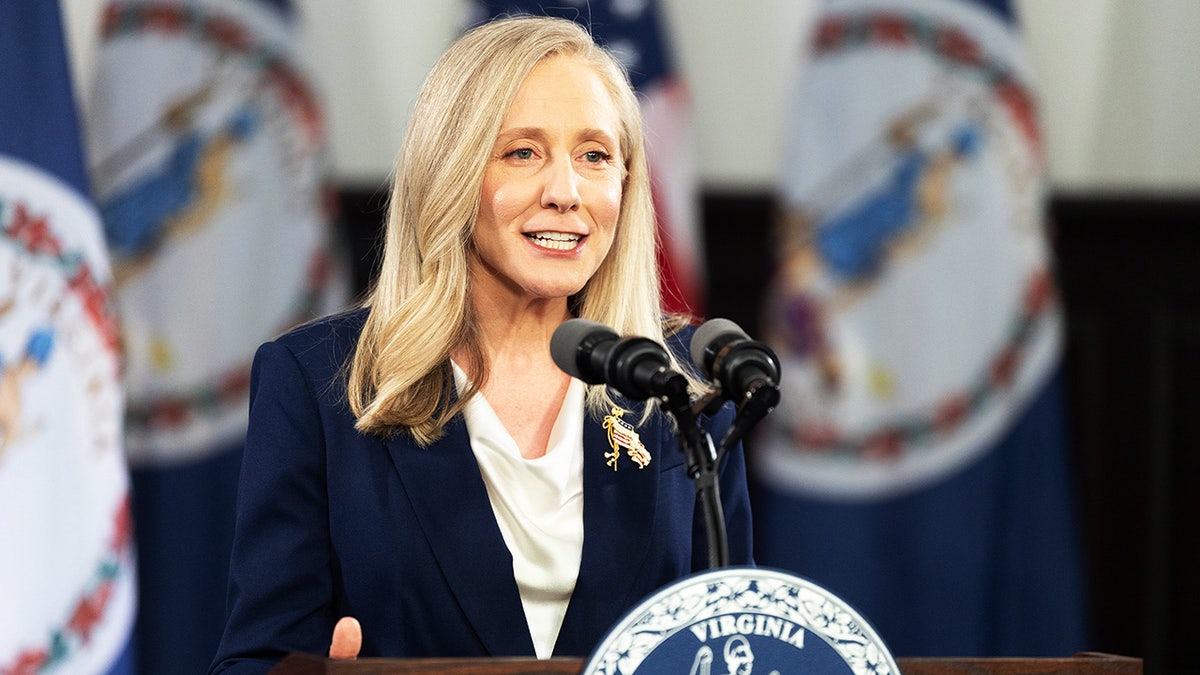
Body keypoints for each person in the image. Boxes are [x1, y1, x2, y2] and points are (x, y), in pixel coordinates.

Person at [208, 15, 753, 673]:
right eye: (523, 153)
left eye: (595, 156)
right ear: (452, 172)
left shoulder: (682, 387)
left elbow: (740, 645)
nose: (565, 192)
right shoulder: (318, 381)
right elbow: (255, 661)